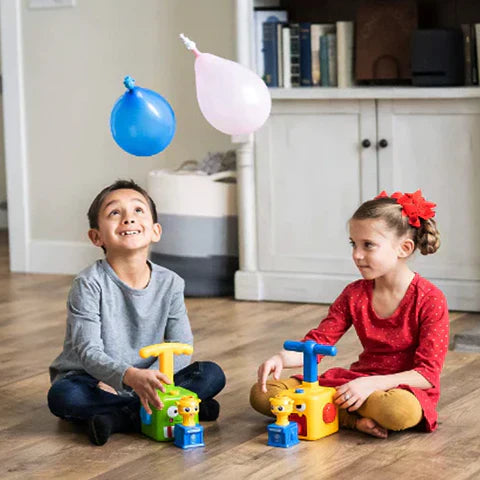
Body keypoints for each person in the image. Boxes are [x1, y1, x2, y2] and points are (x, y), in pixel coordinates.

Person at [250, 190, 449, 439]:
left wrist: (372, 385)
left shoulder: (430, 299)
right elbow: (320, 341)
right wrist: (281, 357)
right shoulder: (354, 293)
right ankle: (351, 419)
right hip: (356, 379)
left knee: (398, 411)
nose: (356, 254)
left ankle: (331, 411)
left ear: (404, 248)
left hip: (401, 389)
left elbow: (427, 374)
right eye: (353, 244)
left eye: (368, 245)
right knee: (262, 394)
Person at [48, 179, 226, 446]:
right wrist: (125, 378)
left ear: (155, 231)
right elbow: (87, 351)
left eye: (138, 211)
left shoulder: (171, 283)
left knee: (212, 374)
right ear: (96, 237)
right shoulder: (88, 284)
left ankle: (119, 418)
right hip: (94, 378)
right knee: (63, 396)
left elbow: (181, 346)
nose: (128, 219)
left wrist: (155, 382)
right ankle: (177, 410)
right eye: (114, 213)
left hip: (154, 374)